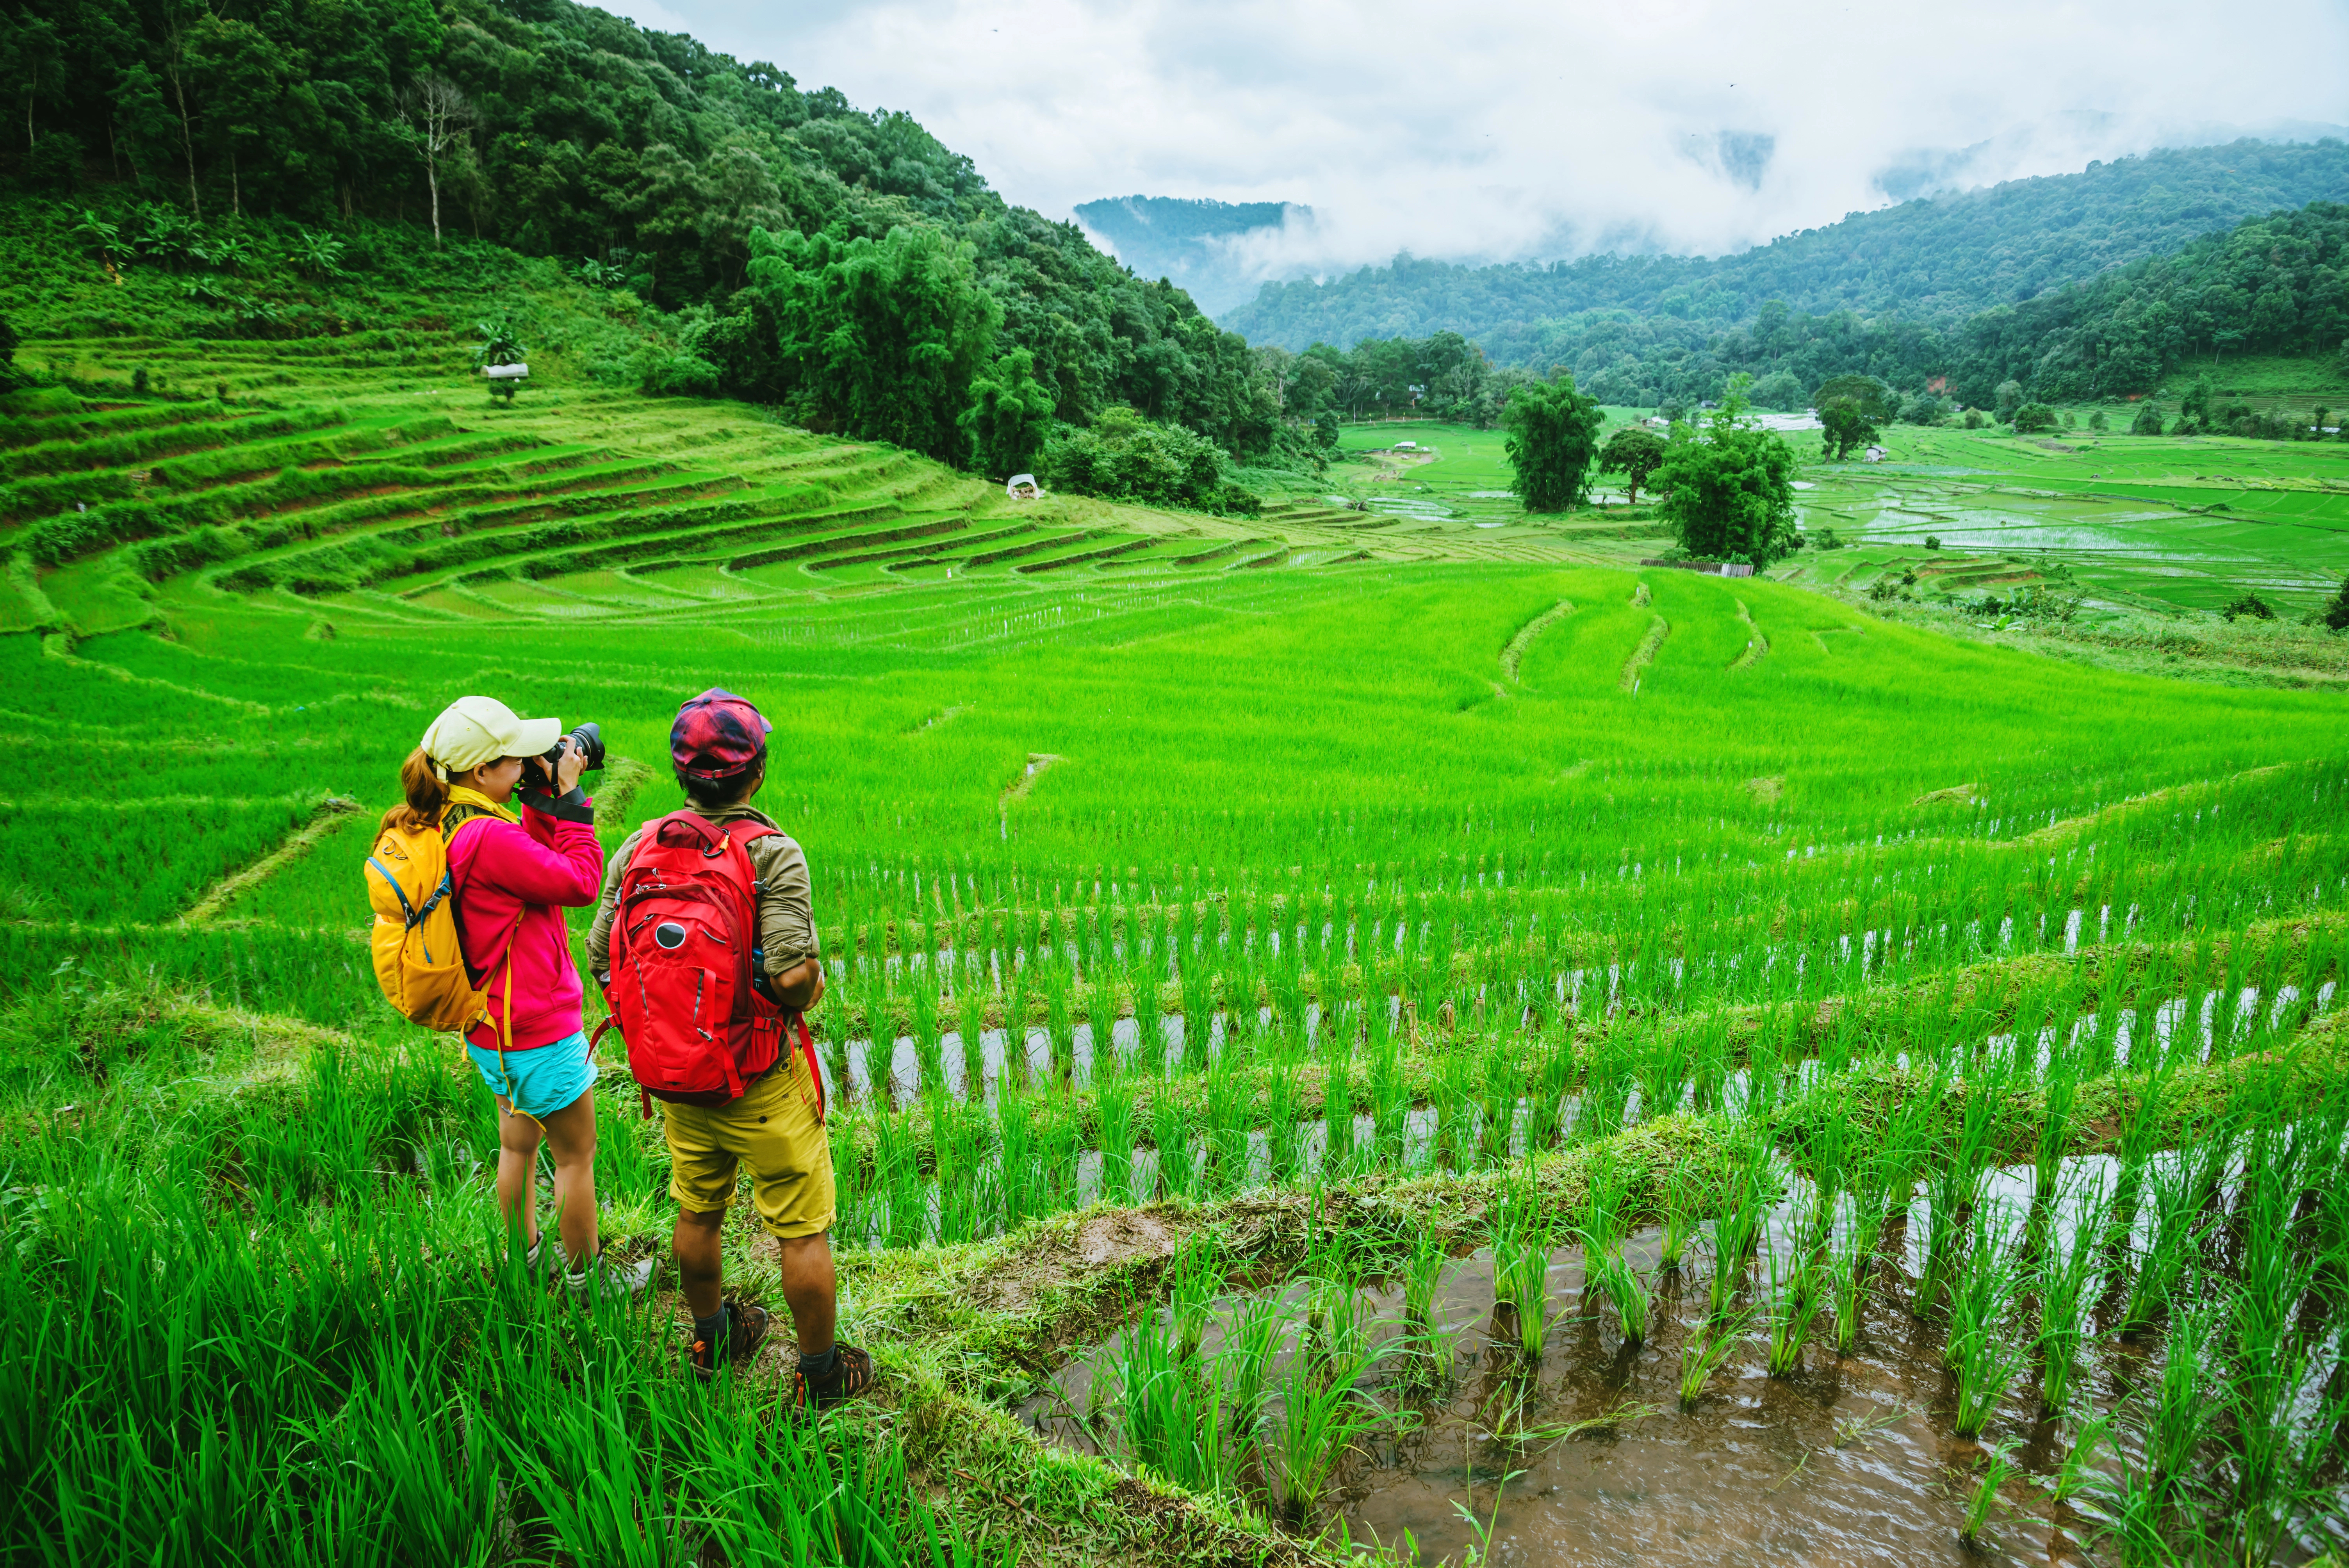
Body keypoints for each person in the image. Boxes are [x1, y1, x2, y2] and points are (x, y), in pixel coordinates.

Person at [588, 688, 873, 1411]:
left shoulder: (640, 845)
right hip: (758, 1077)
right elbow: (789, 977)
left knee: (698, 1211)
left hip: (679, 1078)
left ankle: (714, 1339)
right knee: (802, 1230)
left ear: (682, 776)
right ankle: (821, 1375)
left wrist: (667, 1026)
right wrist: (810, 983)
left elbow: (601, 958)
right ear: (758, 772)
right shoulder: (772, 853)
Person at [400, 695, 650, 1299]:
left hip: (493, 1029)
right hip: (537, 1029)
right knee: (576, 1156)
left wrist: (539, 805)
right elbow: (580, 881)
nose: (528, 763)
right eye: (515, 759)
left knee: (518, 1145)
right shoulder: (488, 837)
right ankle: (590, 1279)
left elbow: (533, 870)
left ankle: (527, 1259)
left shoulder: (450, 822)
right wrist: (569, 802)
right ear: (482, 771)